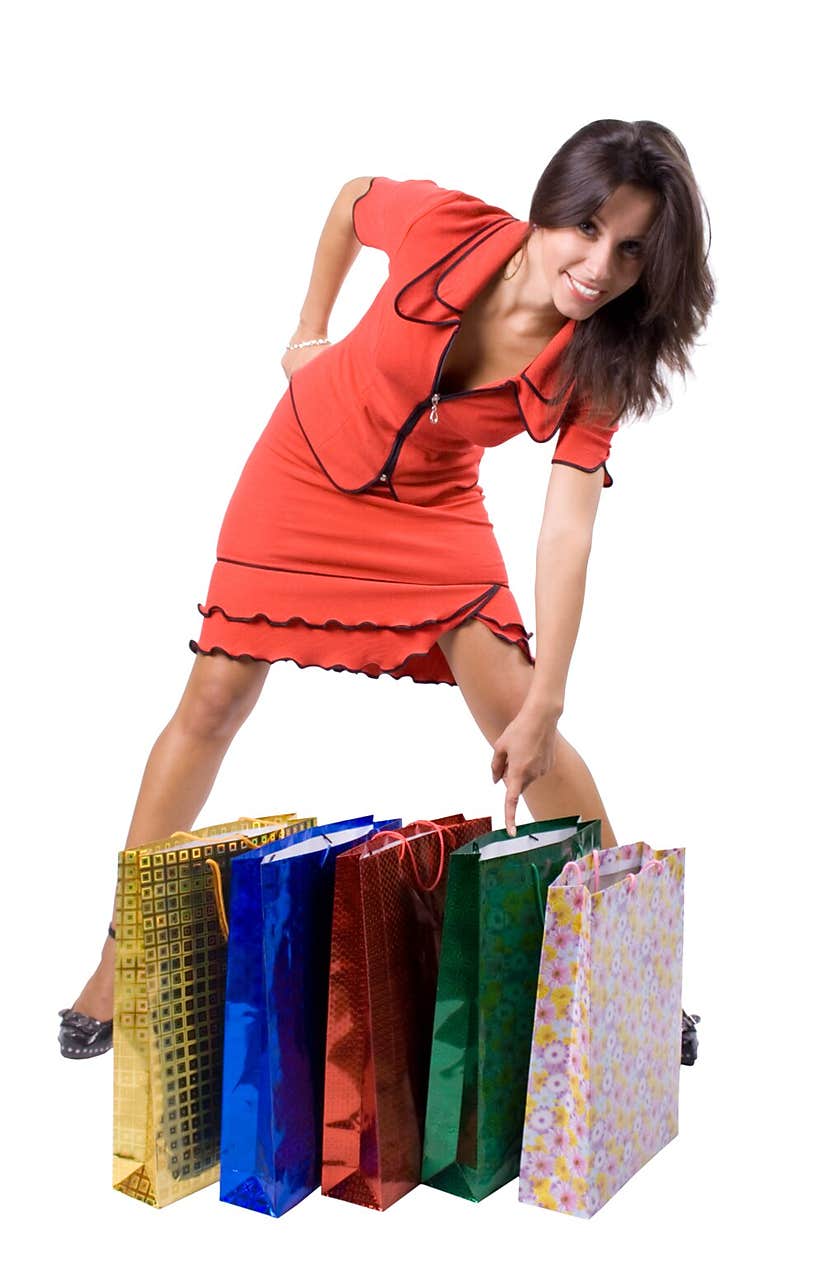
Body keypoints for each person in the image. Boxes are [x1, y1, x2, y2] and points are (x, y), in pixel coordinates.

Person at [58, 117, 715, 1059]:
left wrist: (550, 694)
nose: (600, 266)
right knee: (213, 695)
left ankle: (631, 960)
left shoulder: (595, 362)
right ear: (547, 209)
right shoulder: (446, 226)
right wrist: (307, 332)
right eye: (588, 228)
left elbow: (567, 529)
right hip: (300, 470)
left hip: (431, 509)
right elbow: (349, 201)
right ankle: (120, 952)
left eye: (631, 252)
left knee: (520, 719)